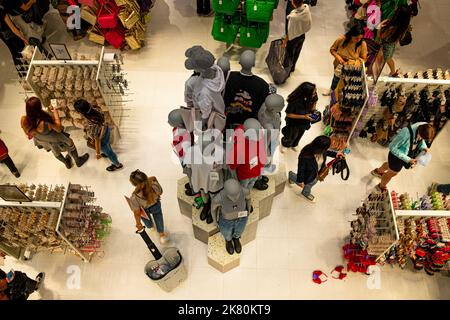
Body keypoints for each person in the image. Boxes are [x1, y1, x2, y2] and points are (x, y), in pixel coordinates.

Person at [20, 96, 89, 168]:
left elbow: (28, 134)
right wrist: (55, 113)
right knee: (70, 143)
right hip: (57, 139)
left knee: (55, 151)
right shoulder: (45, 122)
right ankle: (78, 161)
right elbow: (59, 128)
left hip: (45, 141)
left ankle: (66, 163)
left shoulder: (24, 120)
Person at [371, 122, 435, 192]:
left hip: (405, 154)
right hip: (396, 156)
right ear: (420, 132)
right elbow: (392, 147)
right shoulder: (405, 133)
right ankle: (381, 186)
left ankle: (378, 171)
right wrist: (408, 159)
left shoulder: (424, 125)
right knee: (392, 173)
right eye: (422, 138)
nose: (422, 140)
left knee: (390, 165)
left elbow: (421, 141)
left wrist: (424, 147)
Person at [288, 135, 344, 202]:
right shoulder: (305, 155)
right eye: (326, 148)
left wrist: (335, 154)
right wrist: (300, 181)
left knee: (312, 183)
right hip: (308, 174)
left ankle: (304, 189)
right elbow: (301, 169)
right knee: (308, 184)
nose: (326, 150)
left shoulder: (322, 149)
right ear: (320, 148)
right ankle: (292, 177)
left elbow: (327, 152)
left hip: (317, 172)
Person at [74, 99, 123, 172]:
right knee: (108, 144)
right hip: (106, 130)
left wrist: (97, 153)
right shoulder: (96, 108)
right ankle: (108, 153)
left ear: (81, 112)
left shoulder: (92, 124)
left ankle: (117, 165)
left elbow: (97, 139)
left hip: (101, 139)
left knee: (109, 152)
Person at [325, 24, 367, 95]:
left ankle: (340, 95)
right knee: (336, 79)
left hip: (351, 68)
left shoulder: (362, 44)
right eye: (356, 38)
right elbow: (332, 50)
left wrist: (353, 62)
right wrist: (338, 57)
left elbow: (364, 58)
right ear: (351, 35)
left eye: (360, 38)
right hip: (339, 64)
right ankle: (332, 91)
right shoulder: (341, 39)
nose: (358, 40)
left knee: (346, 83)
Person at [128, 170, 168, 244]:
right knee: (159, 218)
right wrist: (155, 180)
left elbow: (137, 212)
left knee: (146, 220)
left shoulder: (134, 197)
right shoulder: (154, 185)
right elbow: (161, 192)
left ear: (134, 184)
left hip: (144, 210)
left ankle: (150, 226)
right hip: (156, 205)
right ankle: (162, 234)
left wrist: (138, 223)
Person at [280, 82, 318, 152]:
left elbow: (314, 104)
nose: (315, 93)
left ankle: (295, 144)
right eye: (313, 92)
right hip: (293, 121)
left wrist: (314, 112)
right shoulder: (294, 100)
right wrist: (304, 116)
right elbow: (289, 114)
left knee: (301, 133)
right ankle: (285, 144)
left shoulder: (314, 96)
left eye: (315, 90)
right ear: (306, 93)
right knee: (290, 134)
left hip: (305, 121)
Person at [379, 5, 412, 77]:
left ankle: (393, 72)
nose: (395, 9)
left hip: (386, 45)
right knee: (389, 58)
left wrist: (380, 26)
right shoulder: (403, 26)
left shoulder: (392, 26)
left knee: (387, 58)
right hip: (391, 44)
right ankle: (393, 72)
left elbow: (381, 36)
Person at [284, 0, 312, 73]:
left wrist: (285, 40)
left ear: (293, 2)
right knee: (297, 52)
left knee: (289, 54)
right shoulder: (306, 8)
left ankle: (287, 70)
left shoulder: (293, 17)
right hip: (302, 36)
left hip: (293, 38)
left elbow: (290, 31)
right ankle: (292, 67)